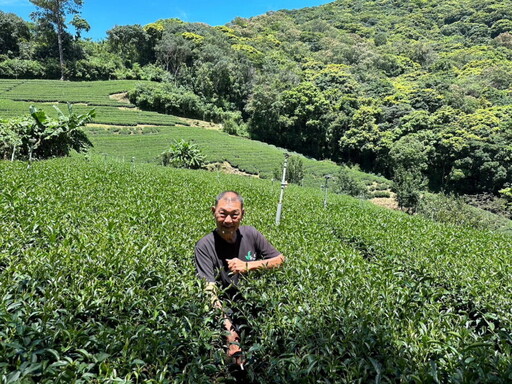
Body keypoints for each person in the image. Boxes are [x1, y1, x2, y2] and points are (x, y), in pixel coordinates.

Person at [195, 191, 285, 368]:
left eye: (234, 215)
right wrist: (228, 331)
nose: (228, 221)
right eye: (223, 214)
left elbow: (280, 260)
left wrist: (249, 266)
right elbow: (209, 291)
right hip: (225, 313)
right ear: (213, 211)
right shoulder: (204, 246)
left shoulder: (251, 233)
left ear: (242, 214)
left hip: (255, 309)